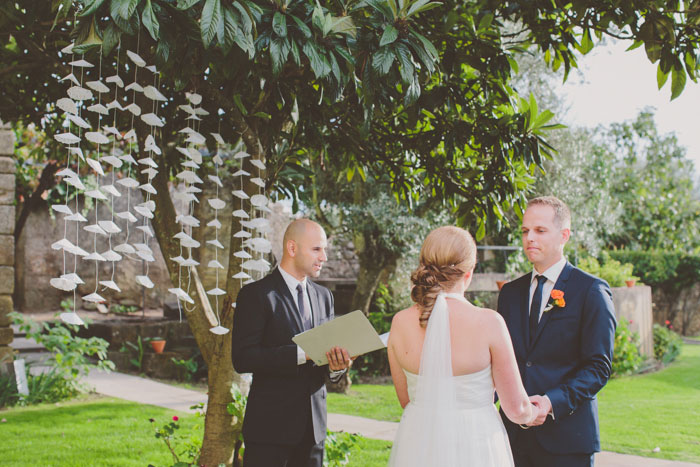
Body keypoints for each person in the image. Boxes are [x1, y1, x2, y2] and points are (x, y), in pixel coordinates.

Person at [387, 226, 537, 467]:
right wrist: (534, 412)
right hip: (476, 442)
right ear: (469, 272)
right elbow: (516, 408)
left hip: (419, 441)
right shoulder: (488, 322)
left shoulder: (400, 323)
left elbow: (406, 399)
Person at [497, 196, 617, 467]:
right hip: (512, 437)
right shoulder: (510, 294)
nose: (529, 238)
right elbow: (504, 360)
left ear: (564, 235)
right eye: (525, 231)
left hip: (567, 439)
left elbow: (598, 367)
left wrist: (551, 403)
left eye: (540, 230)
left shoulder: (591, 291)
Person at [232, 219, 352, 467]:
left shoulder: (324, 297)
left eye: (324, 250)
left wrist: (338, 365)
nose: (324, 257)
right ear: (292, 248)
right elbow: (243, 358)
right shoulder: (256, 295)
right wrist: (302, 353)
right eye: (317, 249)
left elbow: (325, 366)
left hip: (313, 433)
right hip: (269, 432)